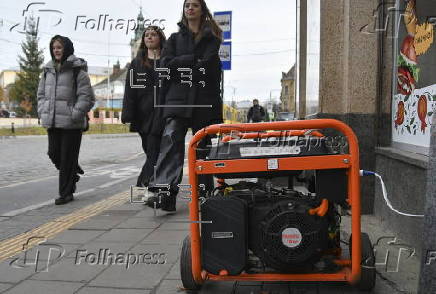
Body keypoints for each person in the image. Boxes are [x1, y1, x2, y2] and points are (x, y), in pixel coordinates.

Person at [146, 0, 223, 213]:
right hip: (177, 100)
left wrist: (181, 64)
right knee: (171, 140)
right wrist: (192, 61)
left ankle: (205, 195)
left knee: (203, 149)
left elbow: (208, 69)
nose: (190, 8)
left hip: (204, 102)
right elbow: (165, 66)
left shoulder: (212, 39)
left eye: (195, 5)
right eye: (187, 5)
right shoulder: (173, 38)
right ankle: (164, 195)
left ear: (202, 10)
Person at [37, 35, 95, 205]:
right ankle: (72, 175)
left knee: (67, 157)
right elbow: (40, 95)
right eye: (54, 47)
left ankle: (66, 193)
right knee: (53, 153)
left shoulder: (78, 71)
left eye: (59, 47)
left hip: (71, 124)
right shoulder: (47, 71)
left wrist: (74, 114)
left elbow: (87, 97)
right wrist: (42, 111)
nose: (56, 50)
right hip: (52, 121)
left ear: (67, 49)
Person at [121, 26, 166, 188]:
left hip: (162, 113)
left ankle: (144, 181)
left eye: (153, 34)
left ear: (160, 38)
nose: (149, 37)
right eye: (146, 35)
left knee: (154, 150)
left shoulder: (168, 60)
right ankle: (154, 182)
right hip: (143, 113)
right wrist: (127, 113)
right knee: (149, 149)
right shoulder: (137, 62)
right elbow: (129, 90)